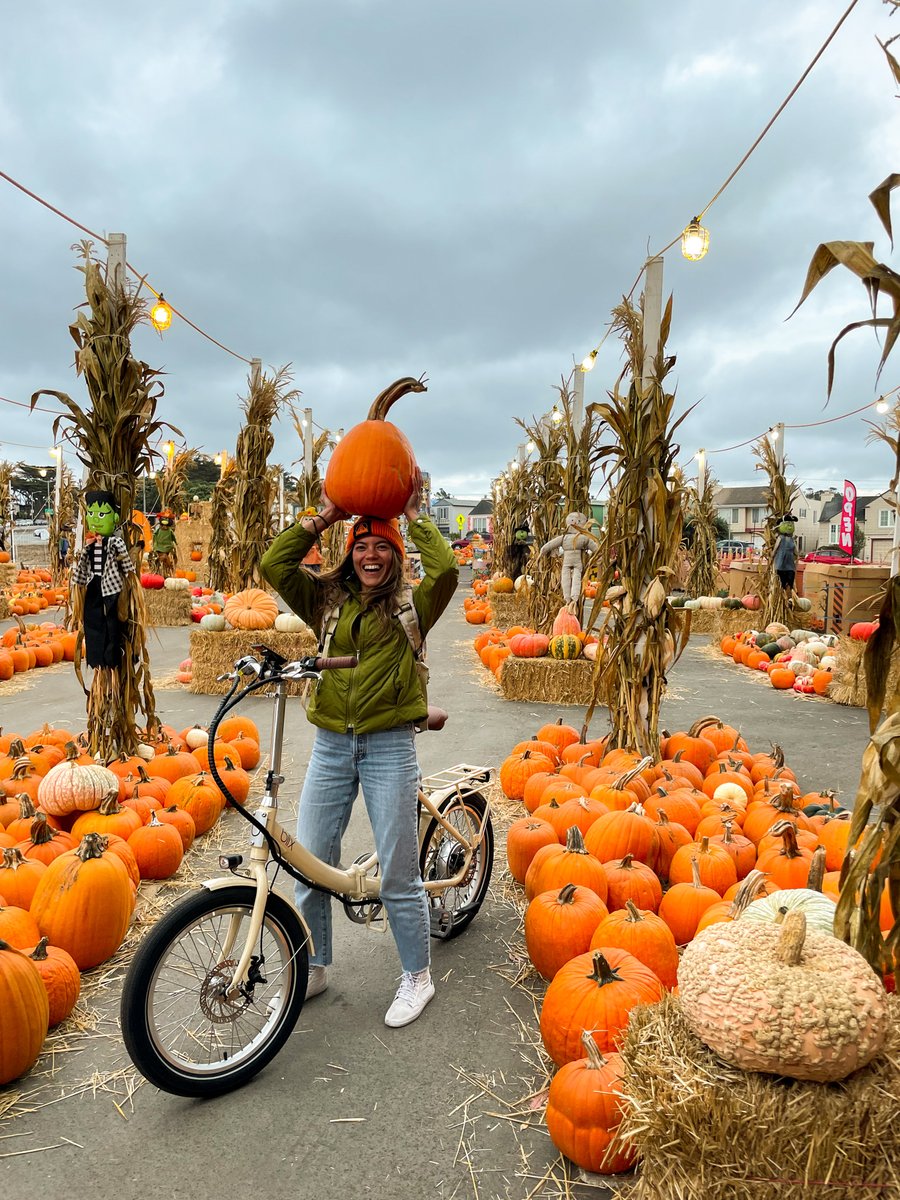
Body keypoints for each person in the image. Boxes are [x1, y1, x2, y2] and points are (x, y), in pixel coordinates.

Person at [259, 483, 458, 1028]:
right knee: (309, 859)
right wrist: (323, 518)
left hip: (389, 743)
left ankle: (418, 976)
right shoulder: (325, 599)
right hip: (331, 744)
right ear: (351, 551)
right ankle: (315, 964)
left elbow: (444, 571)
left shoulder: (414, 605)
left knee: (396, 872)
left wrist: (414, 516)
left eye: (382, 547)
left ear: (395, 555)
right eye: (363, 545)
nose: (371, 556)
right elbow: (273, 564)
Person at [70, 491, 135, 668]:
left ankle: (113, 655)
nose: (96, 519)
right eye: (91, 514)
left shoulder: (115, 543)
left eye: (101, 514)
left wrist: (131, 578)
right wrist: (79, 581)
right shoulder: (90, 544)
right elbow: (84, 564)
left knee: (112, 620)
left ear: (114, 517)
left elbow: (128, 566)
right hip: (94, 584)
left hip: (112, 586)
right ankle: (95, 657)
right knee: (92, 618)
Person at [772, 513, 798, 594]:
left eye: (791, 524)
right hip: (782, 565)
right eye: (787, 524)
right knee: (782, 585)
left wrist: (797, 559)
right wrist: (772, 557)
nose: (790, 526)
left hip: (788, 566)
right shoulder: (780, 538)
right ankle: (783, 598)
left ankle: (789, 598)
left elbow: (796, 552)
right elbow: (775, 549)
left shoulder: (791, 539)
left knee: (788, 584)